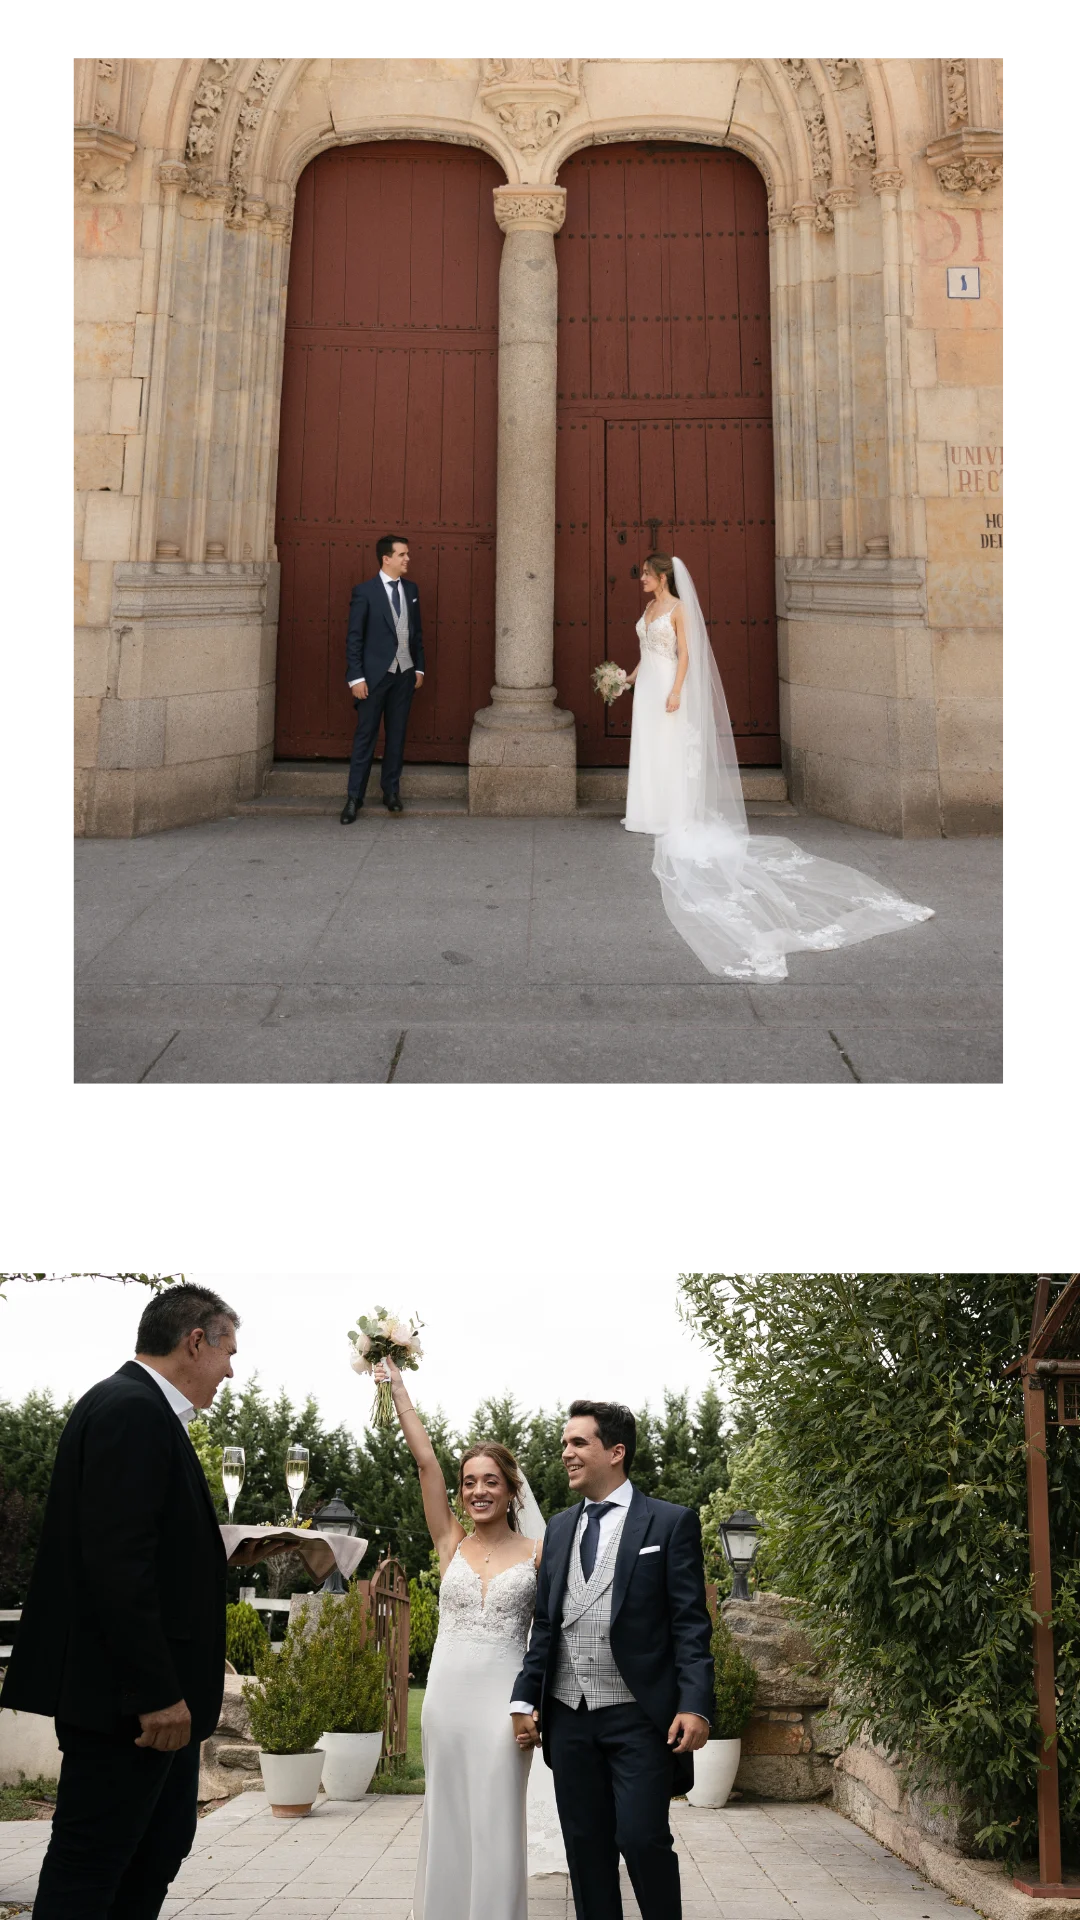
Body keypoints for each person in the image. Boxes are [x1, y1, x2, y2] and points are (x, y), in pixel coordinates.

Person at [0, 1284, 240, 1920]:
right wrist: (156, 1694)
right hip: (129, 1705)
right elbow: (115, 1566)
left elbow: (150, 1548)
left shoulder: (142, 1410)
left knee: (157, 1849)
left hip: (154, 1701)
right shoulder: (130, 1409)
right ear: (196, 1341)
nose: (231, 1370)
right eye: (228, 1352)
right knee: (93, 1862)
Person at [619, 552, 936, 980]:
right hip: (647, 689)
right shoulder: (648, 608)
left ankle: (672, 813)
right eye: (642, 573)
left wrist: (676, 692)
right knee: (651, 750)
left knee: (670, 751)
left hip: (669, 689)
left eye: (645, 573)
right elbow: (646, 650)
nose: (640, 578)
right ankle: (647, 810)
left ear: (661, 577)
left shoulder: (677, 609)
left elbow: (685, 656)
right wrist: (628, 679)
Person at [510, 1399, 713, 1920]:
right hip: (568, 1717)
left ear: (616, 1452)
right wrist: (525, 1698)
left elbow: (689, 1622)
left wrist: (695, 1704)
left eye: (578, 1443)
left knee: (643, 1838)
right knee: (586, 1849)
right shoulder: (557, 1529)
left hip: (640, 1717)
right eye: (564, 1444)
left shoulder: (669, 1523)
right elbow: (546, 1625)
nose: (566, 1454)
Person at [373, 1355, 547, 1920]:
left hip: (504, 1704)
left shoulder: (540, 1554)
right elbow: (426, 1465)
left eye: (489, 1482)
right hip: (445, 1700)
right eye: (470, 1481)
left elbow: (550, 1637)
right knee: (445, 1816)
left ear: (511, 1490)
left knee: (498, 1819)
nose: (476, 1491)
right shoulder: (450, 1541)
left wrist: (536, 1704)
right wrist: (398, 1387)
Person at [341, 534, 425, 822]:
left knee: (397, 737)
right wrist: (356, 678)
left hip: (404, 677)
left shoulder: (411, 589)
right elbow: (354, 639)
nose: (407, 559)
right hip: (374, 678)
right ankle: (354, 798)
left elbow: (416, 635)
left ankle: (391, 792)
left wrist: (419, 669)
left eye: (407, 554)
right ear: (386, 558)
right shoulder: (364, 592)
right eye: (402, 554)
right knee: (365, 737)